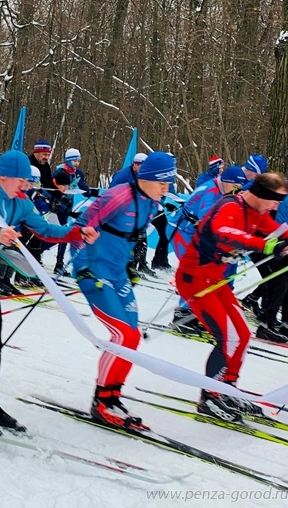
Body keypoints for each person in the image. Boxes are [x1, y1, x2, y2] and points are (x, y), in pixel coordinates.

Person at [0, 149, 98, 434]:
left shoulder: (21, 202)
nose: (26, 186)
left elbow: (45, 230)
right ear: (3, 176)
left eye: (27, 181)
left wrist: (78, 232)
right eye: (21, 180)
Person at [175, 172, 288, 423]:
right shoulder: (231, 206)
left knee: (241, 334)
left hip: (215, 281)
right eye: (275, 201)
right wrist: (265, 245)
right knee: (228, 337)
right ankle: (209, 396)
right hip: (196, 281)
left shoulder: (255, 212)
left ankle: (226, 388)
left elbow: (277, 230)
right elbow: (224, 232)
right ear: (263, 195)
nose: (275, 207)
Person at [72, 152, 176, 431]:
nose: (166, 188)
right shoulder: (117, 196)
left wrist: (128, 266)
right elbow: (81, 227)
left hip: (118, 274)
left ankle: (113, 395)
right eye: (162, 182)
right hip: (94, 270)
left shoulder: (152, 203)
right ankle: (101, 402)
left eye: (169, 182)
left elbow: (129, 239)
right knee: (122, 335)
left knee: (132, 338)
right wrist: (81, 265)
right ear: (146, 178)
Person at [168, 165, 246, 333]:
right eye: (235, 187)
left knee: (203, 273)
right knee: (193, 272)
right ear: (226, 182)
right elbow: (208, 223)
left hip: (193, 232)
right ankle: (183, 315)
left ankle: (195, 312)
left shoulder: (223, 191)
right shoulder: (211, 192)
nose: (237, 192)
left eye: (240, 189)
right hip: (182, 231)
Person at [255, 188, 288, 341]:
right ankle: (266, 324)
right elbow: (278, 228)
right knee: (279, 284)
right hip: (264, 245)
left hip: (281, 246)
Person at [50, 148, 100, 275]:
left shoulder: (79, 173)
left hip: (68, 203)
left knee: (65, 233)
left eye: (78, 160)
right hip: (57, 205)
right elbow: (51, 188)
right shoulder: (59, 172)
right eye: (74, 160)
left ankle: (59, 263)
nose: (77, 163)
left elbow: (82, 187)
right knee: (52, 232)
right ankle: (37, 254)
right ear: (68, 160)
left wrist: (91, 192)